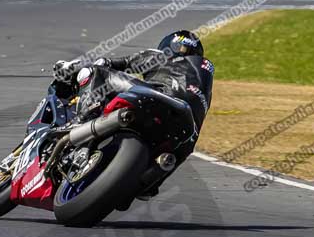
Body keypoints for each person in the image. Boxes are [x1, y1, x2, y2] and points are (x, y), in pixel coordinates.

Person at [53, 30, 214, 199]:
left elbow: (107, 63)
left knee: (94, 72)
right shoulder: (206, 81)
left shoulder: (160, 55)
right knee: (171, 158)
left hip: (155, 98)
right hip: (185, 133)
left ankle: (81, 120)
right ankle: (150, 183)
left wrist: (71, 67)